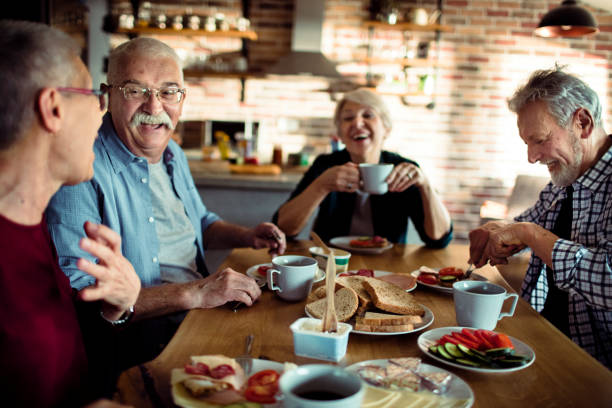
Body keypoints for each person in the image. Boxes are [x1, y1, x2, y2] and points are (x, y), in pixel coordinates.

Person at [45, 37, 286, 368]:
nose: (154, 107)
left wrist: (245, 236)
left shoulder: (172, 152)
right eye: (135, 90)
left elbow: (198, 222)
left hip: (199, 314)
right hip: (144, 345)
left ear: (182, 98)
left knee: (286, 341)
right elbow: (86, 299)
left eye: (168, 92)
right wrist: (196, 293)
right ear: (108, 95)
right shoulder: (81, 167)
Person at [0, 20, 140, 407]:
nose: (102, 112)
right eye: (95, 95)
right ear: (53, 108)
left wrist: (116, 309)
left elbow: (60, 362)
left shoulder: (35, 224)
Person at [468, 67, 612, 369]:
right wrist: (498, 228)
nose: (532, 157)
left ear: (582, 123)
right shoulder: (567, 177)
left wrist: (531, 234)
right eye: (527, 144)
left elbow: (608, 282)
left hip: (597, 369)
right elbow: (523, 224)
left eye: (540, 140)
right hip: (548, 339)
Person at [273, 88, 452, 246]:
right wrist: (321, 185)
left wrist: (426, 186)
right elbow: (284, 229)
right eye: (348, 118)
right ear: (340, 135)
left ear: (386, 129)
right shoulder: (326, 165)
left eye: (368, 115)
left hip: (388, 266)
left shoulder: (403, 169)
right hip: (333, 264)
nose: (357, 123)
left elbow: (438, 239)